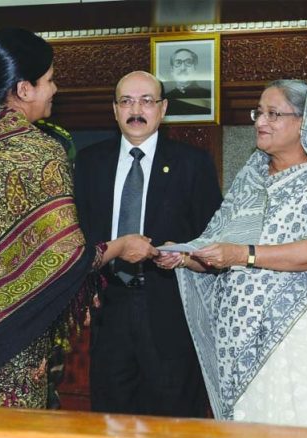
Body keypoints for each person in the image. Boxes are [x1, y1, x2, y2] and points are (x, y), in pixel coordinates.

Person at [0, 28, 155, 407]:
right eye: (50, 80)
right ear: (24, 89)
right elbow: (68, 258)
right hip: (5, 347)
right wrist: (122, 245)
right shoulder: (40, 151)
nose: (55, 89)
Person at [155, 80, 307, 428]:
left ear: (306, 122)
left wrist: (240, 255)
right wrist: (185, 257)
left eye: (274, 114)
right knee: (253, 426)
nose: (261, 122)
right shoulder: (251, 179)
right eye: (258, 112)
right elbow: (221, 247)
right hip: (244, 329)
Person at [74, 71, 222, 417]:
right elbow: (78, 236)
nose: (135, 110)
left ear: (163, 108)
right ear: (114, 110)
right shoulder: (89, 162)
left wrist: (185, 256)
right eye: (126, 101)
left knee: (173, 420)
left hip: (169, 310)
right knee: (110, 418)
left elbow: (214, 242)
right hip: (108, 308)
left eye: (146, 101)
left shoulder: (193, 163)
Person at [163, 48, 212, 116]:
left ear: (195, 68)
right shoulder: (164, 99)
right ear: (172, 70)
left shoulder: (209, 95)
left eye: (188, 62)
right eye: (178, 63)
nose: (183, 68)